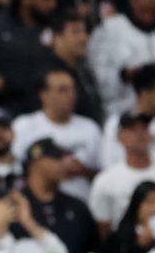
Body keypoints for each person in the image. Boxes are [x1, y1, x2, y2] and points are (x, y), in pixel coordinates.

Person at [88, 111, 155, 236]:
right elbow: (103, 229)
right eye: (133, 129)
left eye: (144, 128)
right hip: (125, 244)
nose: (140, 133)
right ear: (120, 136)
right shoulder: (105, 180)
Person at [9, 68, 103, 202]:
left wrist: (83, 170)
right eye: (62, 90)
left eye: (73, 89)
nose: (71, 95)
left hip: (81, 202)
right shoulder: (23, 125)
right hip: (37, 204)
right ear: (44, 94)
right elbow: (14, 168)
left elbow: (104, 174)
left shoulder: (90, 127)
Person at [21, 138, 100, 253]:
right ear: (35, 163)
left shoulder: (77, 206)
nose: (63, 163)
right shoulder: (15, 205)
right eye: (56, 158)